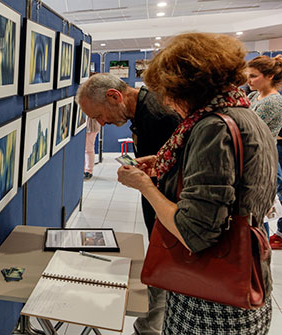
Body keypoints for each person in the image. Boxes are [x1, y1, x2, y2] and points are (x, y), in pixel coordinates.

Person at [117, 32, 275, 334]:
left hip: (211, 301)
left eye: (168, 93)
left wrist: (145, 186)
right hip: (243, 282)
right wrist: (169, 168)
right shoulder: (244, 115)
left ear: (185, 88)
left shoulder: (213, 129)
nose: (167, 102)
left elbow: (194, 231)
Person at [76, 72, 181, 335]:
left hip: (172, 218)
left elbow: (176, 180)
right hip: (160, 212)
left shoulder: (160, 117)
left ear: (114, 96)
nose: (102, 122)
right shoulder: (143, 112)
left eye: (100, 115)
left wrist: (145, 180)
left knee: (168, 273)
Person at [246, 55, 282, 249]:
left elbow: (250, 131)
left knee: (260, 213)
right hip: (255, 157)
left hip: (262, 159)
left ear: (269, 76)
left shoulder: (273, 102)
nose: (248, 80)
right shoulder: (254, 96)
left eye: (253, 76)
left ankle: (260, 252)